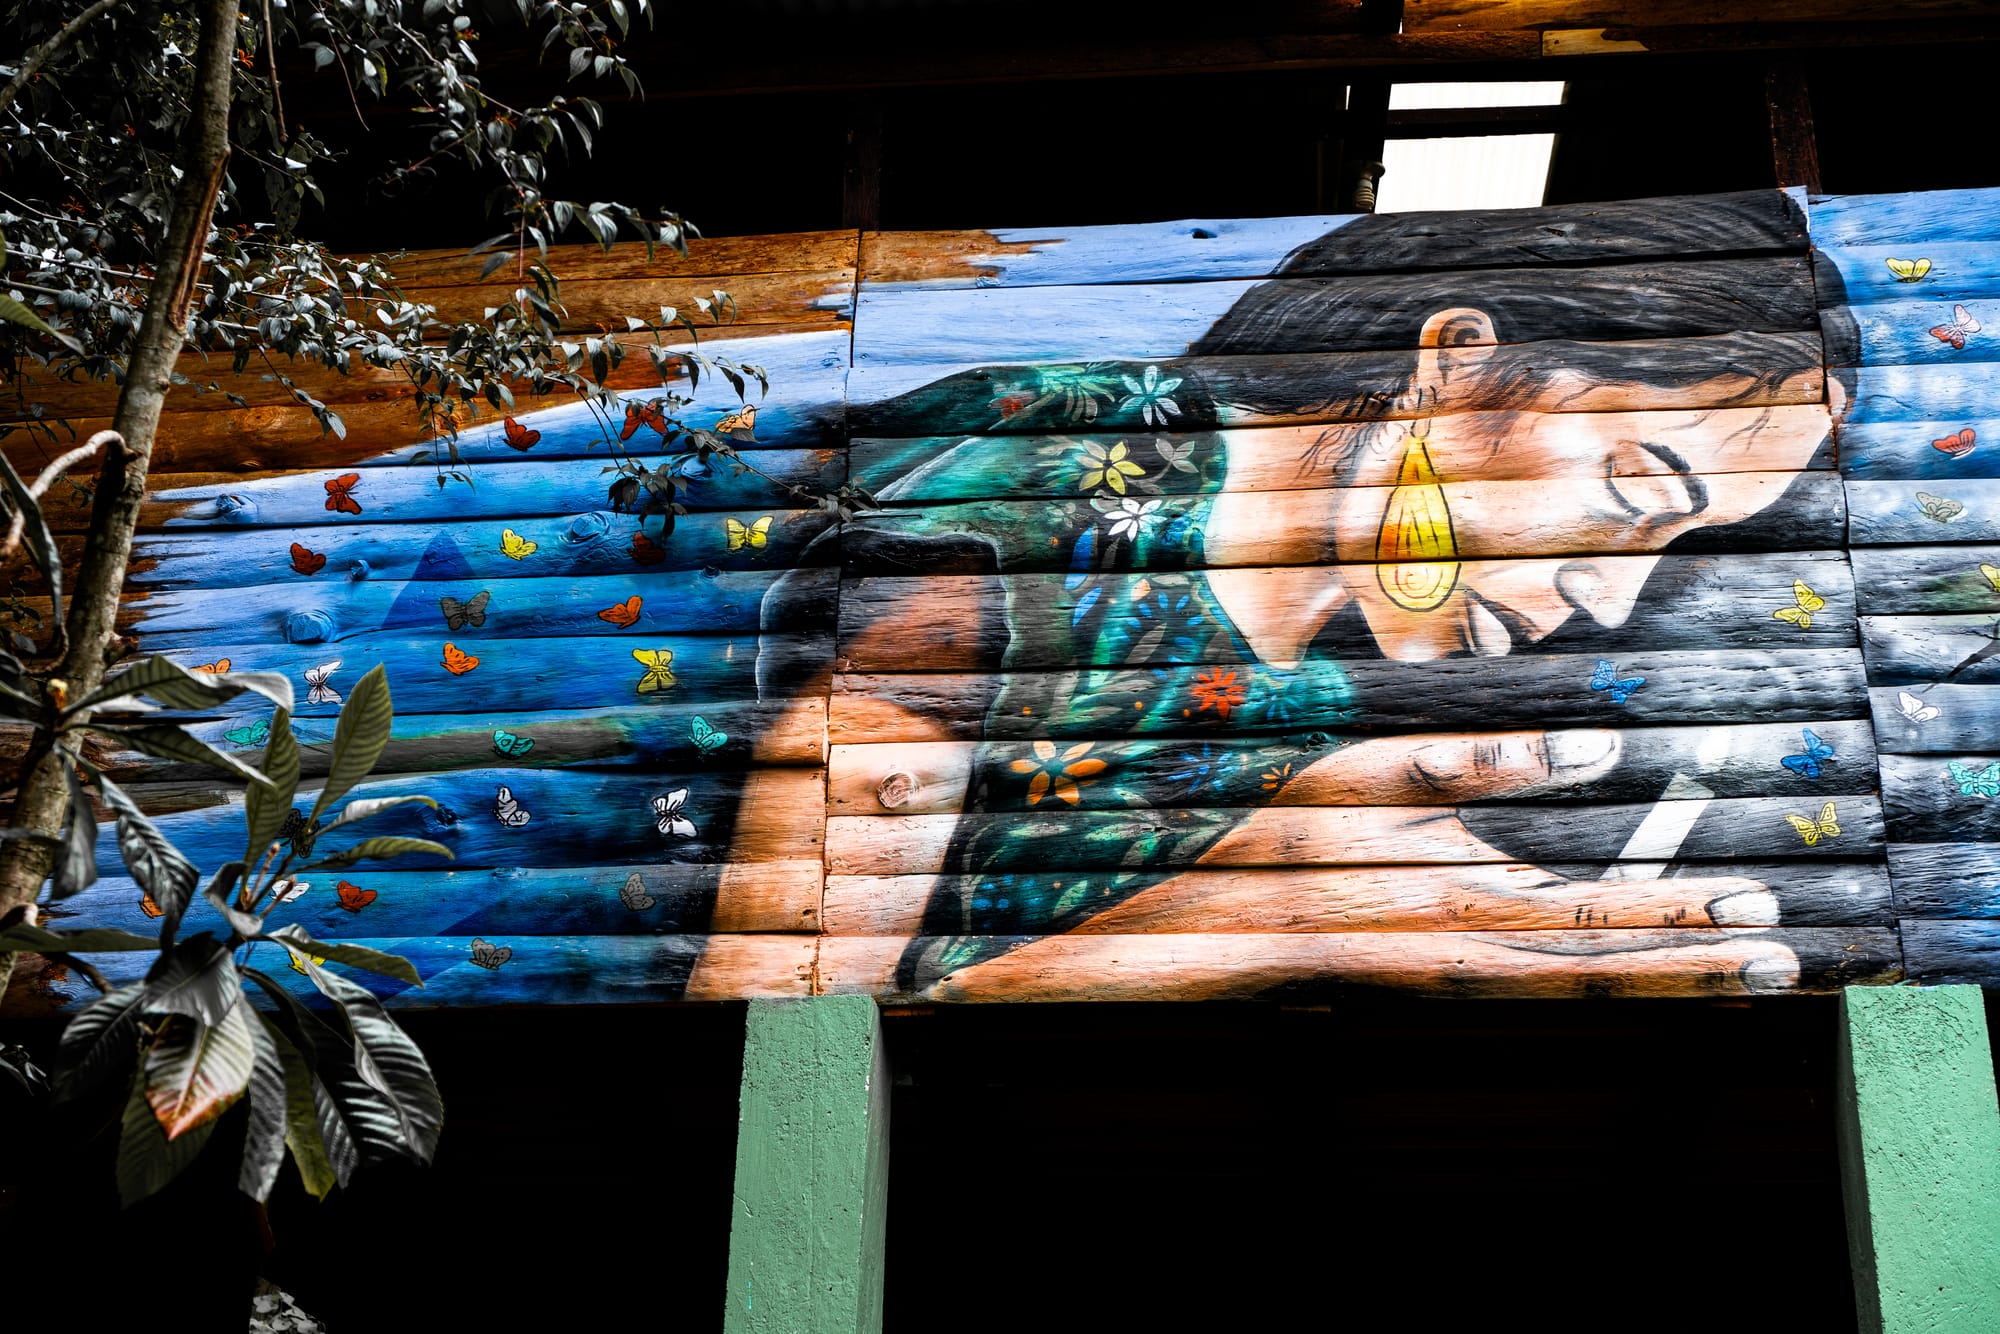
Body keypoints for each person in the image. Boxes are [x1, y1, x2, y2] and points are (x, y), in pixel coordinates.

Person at [701, 198, 1860, 1000]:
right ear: (1455, 356)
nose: (1610, 595)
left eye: (1684, 543)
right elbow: (787, 1063)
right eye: (1637, 484)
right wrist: (1258, 915)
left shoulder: (1319, 726)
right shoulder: (1059, 461)